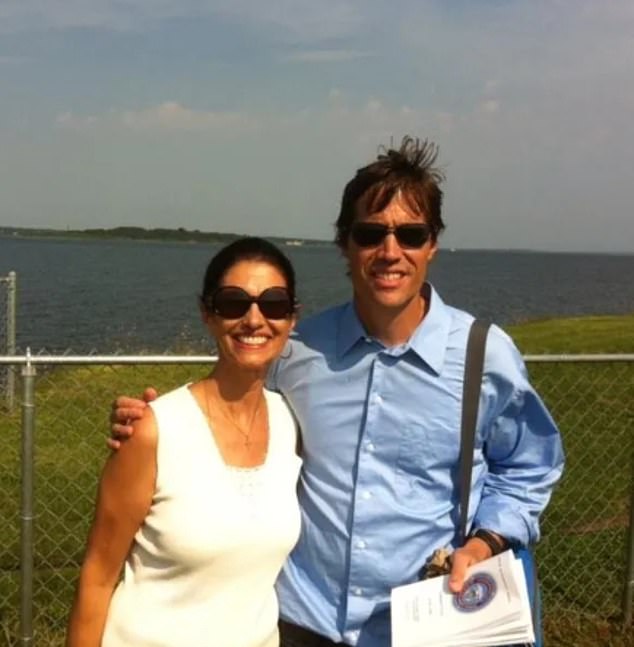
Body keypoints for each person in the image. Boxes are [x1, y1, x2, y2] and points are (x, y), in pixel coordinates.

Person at [110, 137, 564, 647]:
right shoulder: (298, 351)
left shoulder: (486, 356)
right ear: (345, 243)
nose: (390, 252)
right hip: (304, 621)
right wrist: (159, 423)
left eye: (410, 234)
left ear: (432, 244)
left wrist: (485, 543)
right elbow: (236, 409)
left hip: (425, 626)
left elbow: (528, 467)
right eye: (371, 233)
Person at [67, 237, 303, 647]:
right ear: (207, 314)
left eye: (274, 303)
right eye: (233, 303)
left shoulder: (289, 423)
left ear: (292, 319)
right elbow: (98, 576)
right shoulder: (155, 430)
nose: (254, 319)